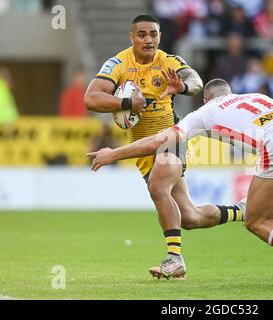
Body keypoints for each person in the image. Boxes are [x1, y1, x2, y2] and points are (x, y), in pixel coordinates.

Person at [87, 79, 273, 284]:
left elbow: (159, 140)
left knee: (258, 220)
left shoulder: (204, 112)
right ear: (230, 92)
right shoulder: (258, 97)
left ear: (208, 98)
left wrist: (113, 153)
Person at [84, 15, 244, 280]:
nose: (149, 40)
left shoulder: (169, 61)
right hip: (144, 150)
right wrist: (126, 104)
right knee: (190, 217)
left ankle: (174, 259)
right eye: (142, 34)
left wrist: (182, 86)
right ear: (132, 37)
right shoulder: (118, 63)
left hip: (173, 139)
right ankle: (243, 212)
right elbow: (91, 98)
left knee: (158, 186)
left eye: (154, 34)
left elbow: (196, 82)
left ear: (159, 36)